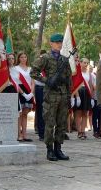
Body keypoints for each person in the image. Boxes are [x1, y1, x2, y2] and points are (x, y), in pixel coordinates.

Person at [30, 33, 72, 161]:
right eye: (56, 42)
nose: (59, 44)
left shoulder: (64, 59)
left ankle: (58, 149)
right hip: (51, 95)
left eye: (60, 42)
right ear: (51, 43)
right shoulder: (45, 58)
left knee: (61, 123)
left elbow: (69, 79)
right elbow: (33, 72)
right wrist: (47, 80)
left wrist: (69, 96)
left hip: (63, 94)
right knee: (50, 123)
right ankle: (49, 150)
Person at [15, 51, 35, 142]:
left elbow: (33, 82)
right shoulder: (16, 68)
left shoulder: (30, 69)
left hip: (29, 91)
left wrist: (31, 93)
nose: (23, 59)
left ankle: (25, 134)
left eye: (25, 57)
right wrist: (23, 93)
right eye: (21, 57)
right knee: (19, 114)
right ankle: (19, 134)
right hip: (20, 91)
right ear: (18, 58)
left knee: (25, 114)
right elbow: (15, 82)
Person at [74, 58, 94, 140]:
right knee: (78, 113)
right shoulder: (77, 73)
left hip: (86, 93)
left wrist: (92, 97)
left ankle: (83, 131)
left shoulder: (89, 73)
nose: (86, 64)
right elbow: (74, 86)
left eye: (87, 63)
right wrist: (77, 96)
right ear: (80, 63)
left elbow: (90, 85)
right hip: (79, 92)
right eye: (84, 63)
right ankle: (79, 131)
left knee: (85, 113)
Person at [34, 49, 47, 141]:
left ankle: (48, 132)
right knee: (40, 110)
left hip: (48, 89)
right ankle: (41, 133)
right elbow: (35, 77)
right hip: (39, 88)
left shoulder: (49, 67)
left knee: (48, 111)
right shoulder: (37, 67)